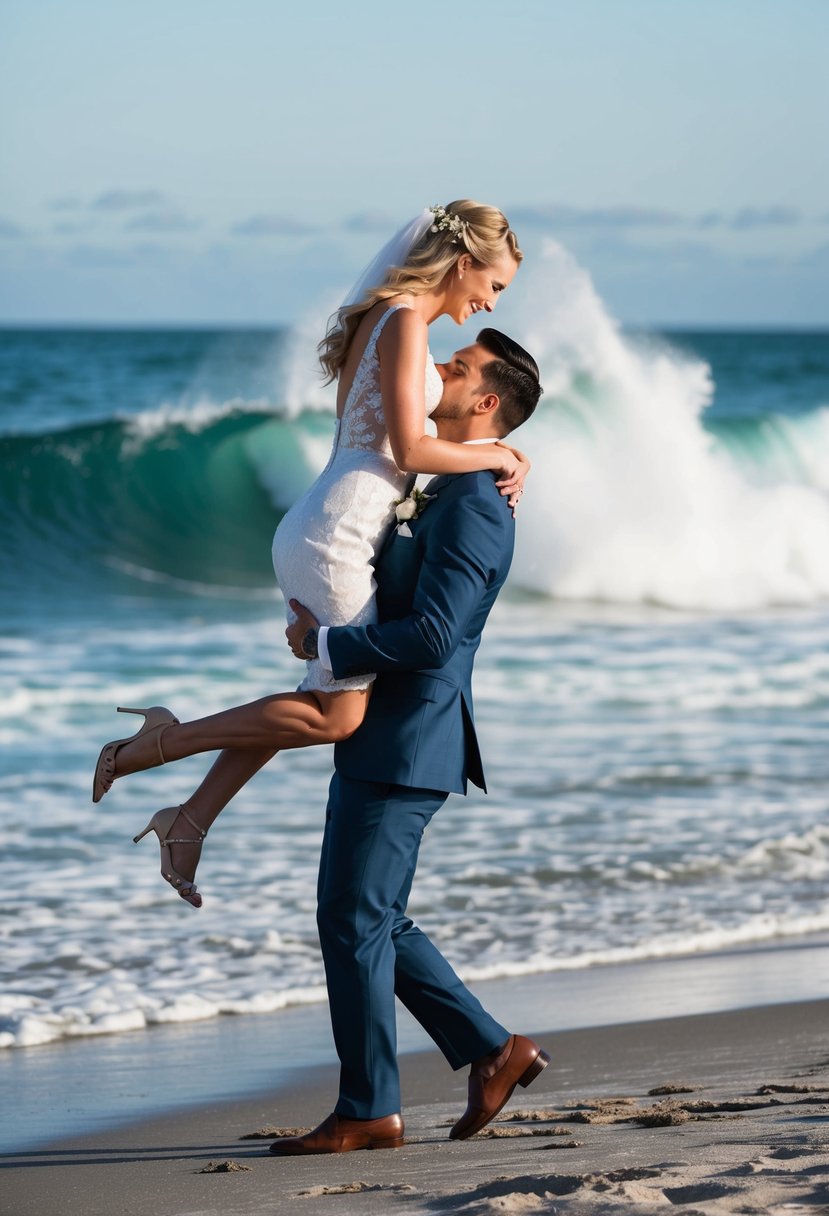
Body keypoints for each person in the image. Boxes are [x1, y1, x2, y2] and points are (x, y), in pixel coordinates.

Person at [92, 202, 530, 907]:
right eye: (495, 284)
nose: (489, 300)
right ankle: (160, 743)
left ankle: (190, 820)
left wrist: (491, 450)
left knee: (314, 695)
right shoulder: (405, 322)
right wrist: (498, 450)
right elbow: (411, 450)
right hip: (337, 532)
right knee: (338, 715)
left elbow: (384, 441)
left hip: (333, 520)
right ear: (462, 262)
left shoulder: (386, 318)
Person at [268, 325, 547, 1154]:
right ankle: (494, 1052)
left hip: (408, 736)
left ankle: (370, 1109)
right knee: (368, 916)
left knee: (352, 918)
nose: (438, 371)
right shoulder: (449, 482)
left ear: (485, 402)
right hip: (386, 731)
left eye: (455, 369)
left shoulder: (477, 507)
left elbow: (433, 636)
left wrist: (328, 647)